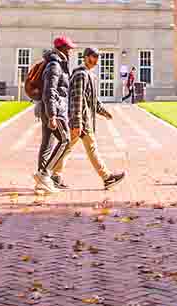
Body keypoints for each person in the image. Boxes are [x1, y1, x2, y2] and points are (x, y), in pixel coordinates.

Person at [52, 48, 127, 191]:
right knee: (88, 148)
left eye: (97, 58)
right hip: (81, 122)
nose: (95, 61)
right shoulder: (81, 75)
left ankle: (54, 175)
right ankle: (107, 178)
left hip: (83, 120)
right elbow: (77, 99)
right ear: (85, 58)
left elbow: (92, 100)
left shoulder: (89, 75)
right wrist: (77, 122)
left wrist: (104, 112)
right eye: (92, 58)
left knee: (67, 148)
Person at [32, 38, 74, 195]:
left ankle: (42, 182)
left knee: (47, 145)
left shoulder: (57, 64)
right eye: (68, 49)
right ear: (61, 49)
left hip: (50, 109)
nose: (70, 52)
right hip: (54, 110)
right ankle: (44, 174)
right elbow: (50, 91)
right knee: (66, 141)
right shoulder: (54, 66)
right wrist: (52, 116)